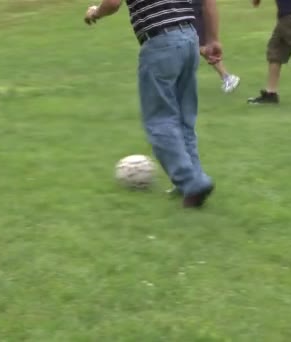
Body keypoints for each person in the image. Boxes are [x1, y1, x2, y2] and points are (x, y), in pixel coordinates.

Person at [84, 0, 221, 208]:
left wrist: (95, 13)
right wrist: (212, 39)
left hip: (161, 42)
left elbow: (112, 3)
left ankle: (192, 182)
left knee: (160, 120)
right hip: (189, 38)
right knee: (184, 119)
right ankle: (191, 179)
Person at [193, 0, 240, 93]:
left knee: (197, 45)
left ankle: (227, 77)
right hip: (190, 7)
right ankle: (227, 77)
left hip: (192, 7)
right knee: (197, 45)